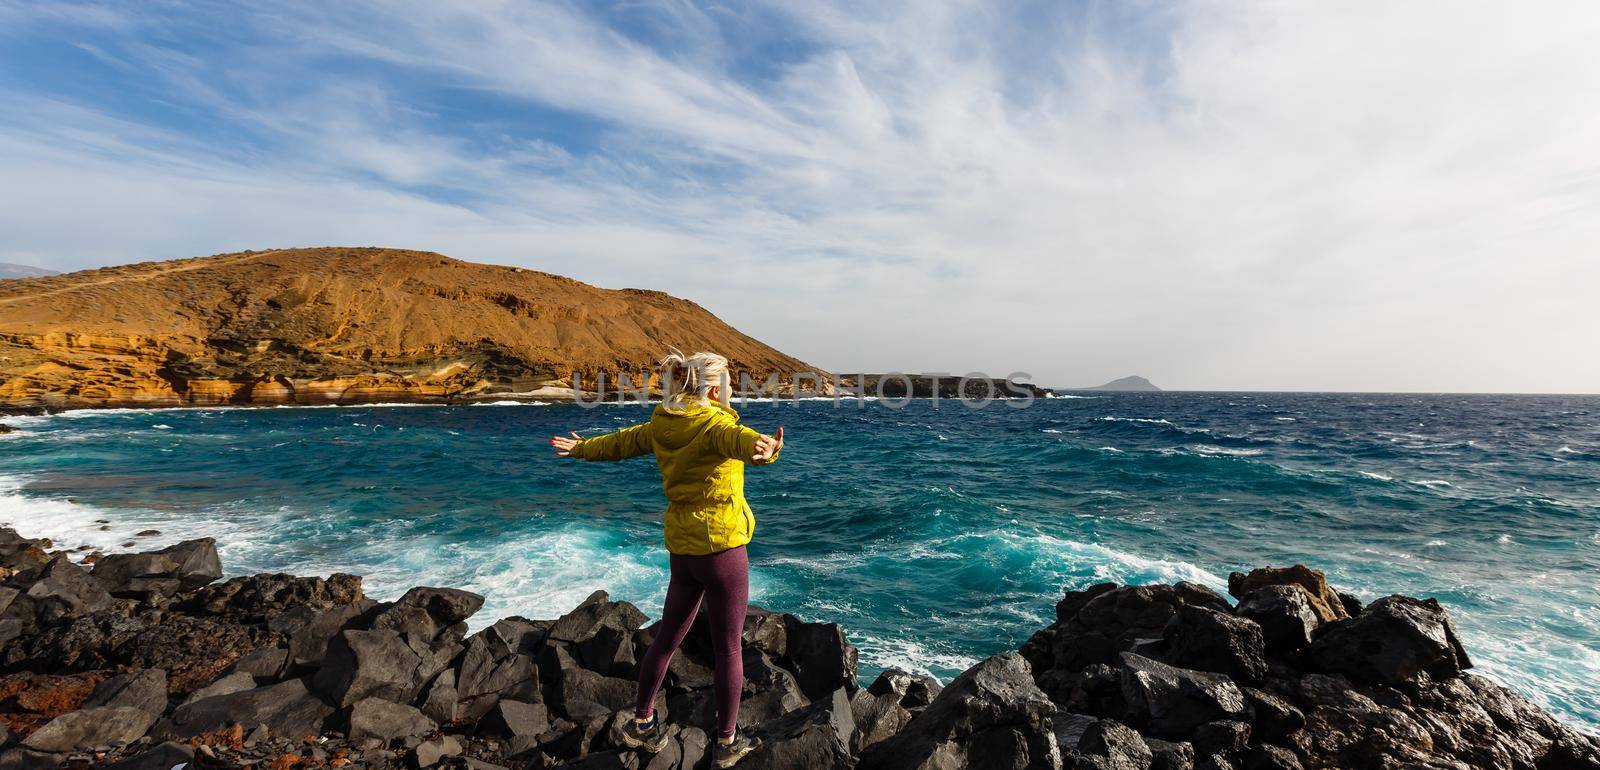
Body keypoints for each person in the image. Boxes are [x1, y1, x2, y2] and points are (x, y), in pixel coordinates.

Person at [551, 349, 783, 767]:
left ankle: (642, 723)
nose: (732, 390)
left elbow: (622, 443)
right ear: (714, 389)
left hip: (683, 550)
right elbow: (742, 441)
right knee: (728, 649)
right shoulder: (714, 425)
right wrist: (765, 450)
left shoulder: (662, 423)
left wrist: (582, 448)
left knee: (667, 637)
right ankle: (727, 742)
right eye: (729, 383)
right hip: (723, 550)